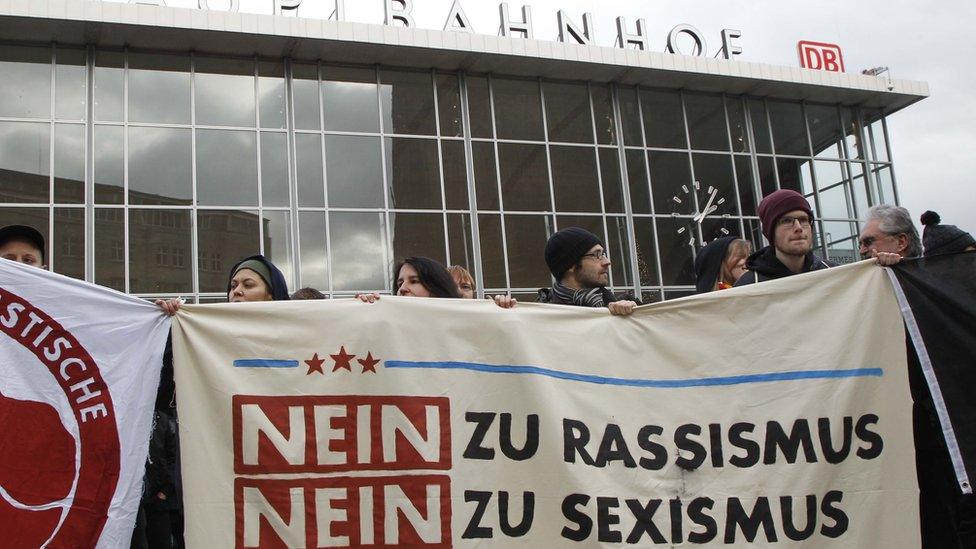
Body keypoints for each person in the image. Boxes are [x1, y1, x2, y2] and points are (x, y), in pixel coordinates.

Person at [734, 190, 832, 286]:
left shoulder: (832, 274)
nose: (798, 228)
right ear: (771, 232)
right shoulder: (749, 286)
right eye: (787, 221)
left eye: (803, 220)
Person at [537, 227, 639, 315]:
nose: (607, 262)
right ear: (570, 265)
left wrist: (637, 314)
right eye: (596, 255)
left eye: (603, 254)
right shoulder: (542, 316)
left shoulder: (621, 305)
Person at [357, 257, 516, 308]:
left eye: (414, 281)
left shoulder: (482, 320)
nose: (403, 288)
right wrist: (360, 312)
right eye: (399, 284)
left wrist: (505, 315)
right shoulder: (387, 321)